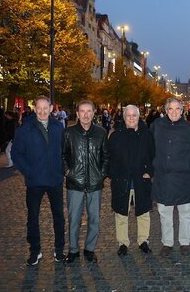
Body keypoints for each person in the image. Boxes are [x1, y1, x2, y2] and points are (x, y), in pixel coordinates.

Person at [11, 96, 65, 266]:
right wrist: (29, 171)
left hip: (55, 179)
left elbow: (65, 152)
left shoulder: (58, 127)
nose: (42, 111)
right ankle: (35, 250)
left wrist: (62, 169)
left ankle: (59, 250)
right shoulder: (25, 129)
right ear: (35, 109)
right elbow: (16, 154)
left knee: (59, 217)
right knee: (33, 217)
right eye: (39, 108)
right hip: (35, 181)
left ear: (51, 109)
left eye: (45, 108)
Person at [62, 100, 109, 264]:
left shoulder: (101, 133)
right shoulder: (68, 133)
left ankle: (90, 249)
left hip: (95, 184)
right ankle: (73, 250)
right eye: (82, 111)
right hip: (75, 183)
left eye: (89, 111)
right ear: (77, 113)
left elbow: (106, 157)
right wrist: (68, 172)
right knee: (74, 219)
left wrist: (101, 174)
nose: (86, 114)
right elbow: (63, 155)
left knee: (94, 219)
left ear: (94, 112)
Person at [151, 98, 190, 257]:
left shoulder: (189, 128)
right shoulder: (157, 126)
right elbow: (149, 147)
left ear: (182, 111)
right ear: (166, 110)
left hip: (183, 176)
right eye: (171, 109)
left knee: (185, 213)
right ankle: (167, 242)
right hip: (163, 176)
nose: (174, 112)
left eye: (178, 109)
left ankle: (184, 242)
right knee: (165, 213)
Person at [108, 105, 155, 256]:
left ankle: (143, 241)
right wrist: (114, 175)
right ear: (124, 117)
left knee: (143, 213)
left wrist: (149, 172)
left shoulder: (146, 135)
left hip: (141, 180)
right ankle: (123, 243)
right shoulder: (116, 136)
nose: (131, 118)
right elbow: (110, 159)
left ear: (138, 116)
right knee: (121, 213)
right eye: (128, 115)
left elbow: (153, 156)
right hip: (122, 180)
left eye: (134, 115)